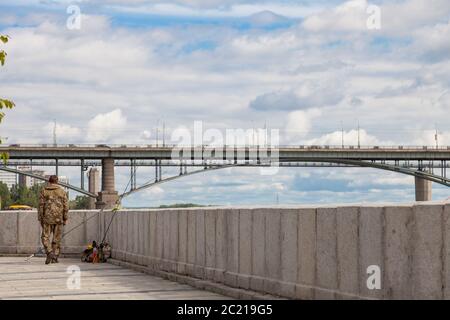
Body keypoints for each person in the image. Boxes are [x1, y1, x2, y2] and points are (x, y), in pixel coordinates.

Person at [38, 175, 69, 264]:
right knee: (57, 238)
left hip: (47, 218)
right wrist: (65, 218)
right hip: (58, 218)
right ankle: (54, 256)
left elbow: (40, 206)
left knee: (45, 237)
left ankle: (49, 252)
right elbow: (66, 206)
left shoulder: (44, 191)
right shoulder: (62, 191)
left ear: (49, 181)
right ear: (57, 182)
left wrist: (40, 218)